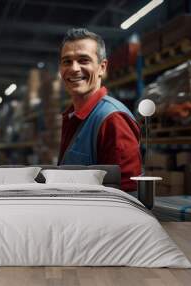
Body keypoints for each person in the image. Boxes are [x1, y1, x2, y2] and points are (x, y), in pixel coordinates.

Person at [58, 28, 142, 193]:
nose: (74, 68)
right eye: (67, 61)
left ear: (102, 67)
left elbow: (127, 195)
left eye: (83, 60)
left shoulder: (113, 119)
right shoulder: (72, 117)